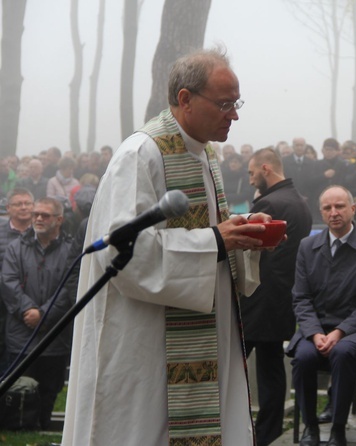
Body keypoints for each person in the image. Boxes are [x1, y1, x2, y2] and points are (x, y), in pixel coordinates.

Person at [63, 48, 274, 445]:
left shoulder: (204, 155)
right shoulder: (141, 155)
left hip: (204, 333)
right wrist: (215, 240)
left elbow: (211, 234)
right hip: (146, 344)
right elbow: (125, 254)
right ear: (185, 99)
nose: (235, 115)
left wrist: (242, 232)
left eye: (237, 103)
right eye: (225, 104)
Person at [289, 185, 356, 446]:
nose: (334, 213)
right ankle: (310, 427)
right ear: (321, 213)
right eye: (327, 208)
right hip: (316, 329)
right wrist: (314, 332)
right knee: (303, 356)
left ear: (352, 209)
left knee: (343, 353)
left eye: (340, 206)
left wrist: (340, 331)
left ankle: (338, 429)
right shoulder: (307, 246)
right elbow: (301, 297)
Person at [242, 148, 312, 446]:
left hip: (260, 297)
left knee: (236, 364)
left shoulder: (270, 202)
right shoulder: (299, 201)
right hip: (284, 296)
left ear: (266, 168)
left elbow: (252, 250)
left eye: (251, 172)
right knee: (271, 367)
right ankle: (267, 434)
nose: (250, 179)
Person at [2, 197, 72, 429]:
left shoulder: (70, 250)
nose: (39, 218)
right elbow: (8, 281)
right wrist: (28, 310)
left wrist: (44, 314)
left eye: (45, 215)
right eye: (36, 214)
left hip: (54, 336)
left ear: (59, 219)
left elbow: (69, 287)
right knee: (19, 388)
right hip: (21, 335)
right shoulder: (16, 247)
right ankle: (20, 429)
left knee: (50, 390)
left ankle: (43, 426)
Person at [0, 188, 35, 374]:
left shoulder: (40, 233)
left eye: (27, 203)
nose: (23, 208)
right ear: (8, 208)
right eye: (18, 204)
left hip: (29, 301)